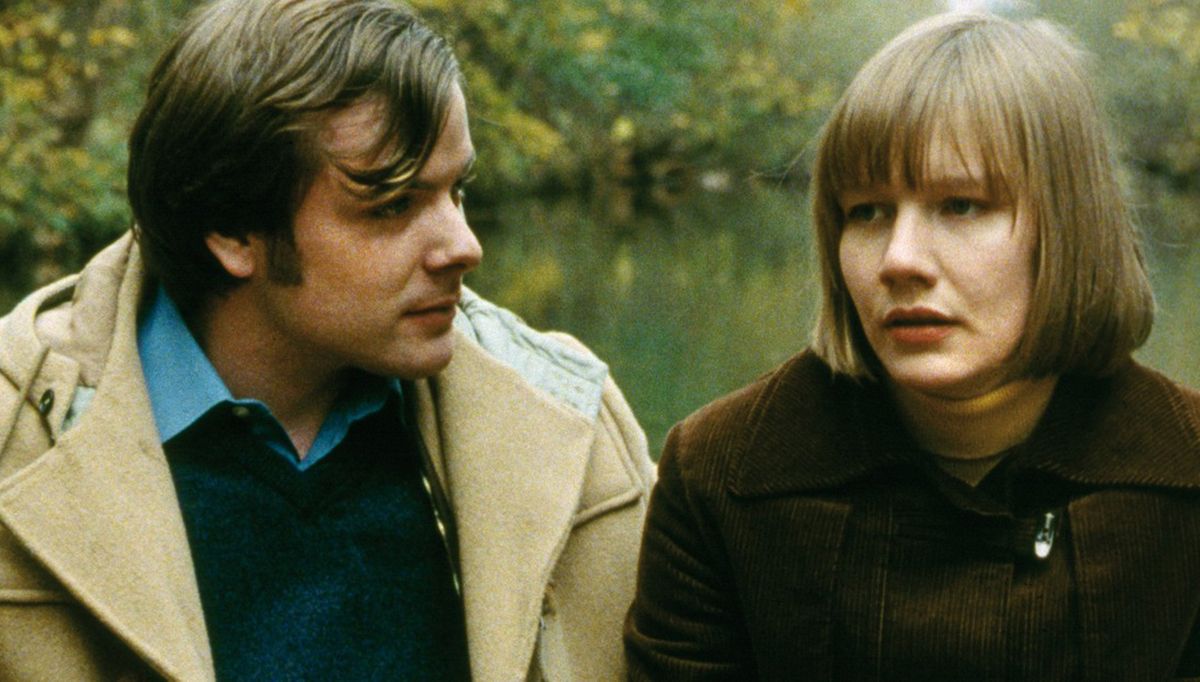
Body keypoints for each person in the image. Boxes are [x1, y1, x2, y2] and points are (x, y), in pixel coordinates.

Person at [0, 0, 654, 679]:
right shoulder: (17, 445)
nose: (464, 245)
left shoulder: (570, 425)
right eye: (393, 204)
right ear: (231, 229)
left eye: (456, 190)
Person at [625, 11, 1200, 681]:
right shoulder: (720, 475)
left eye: (961, 205)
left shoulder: (1184, 472)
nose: (899, 259)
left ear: (1070, 227)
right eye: (867, 211)